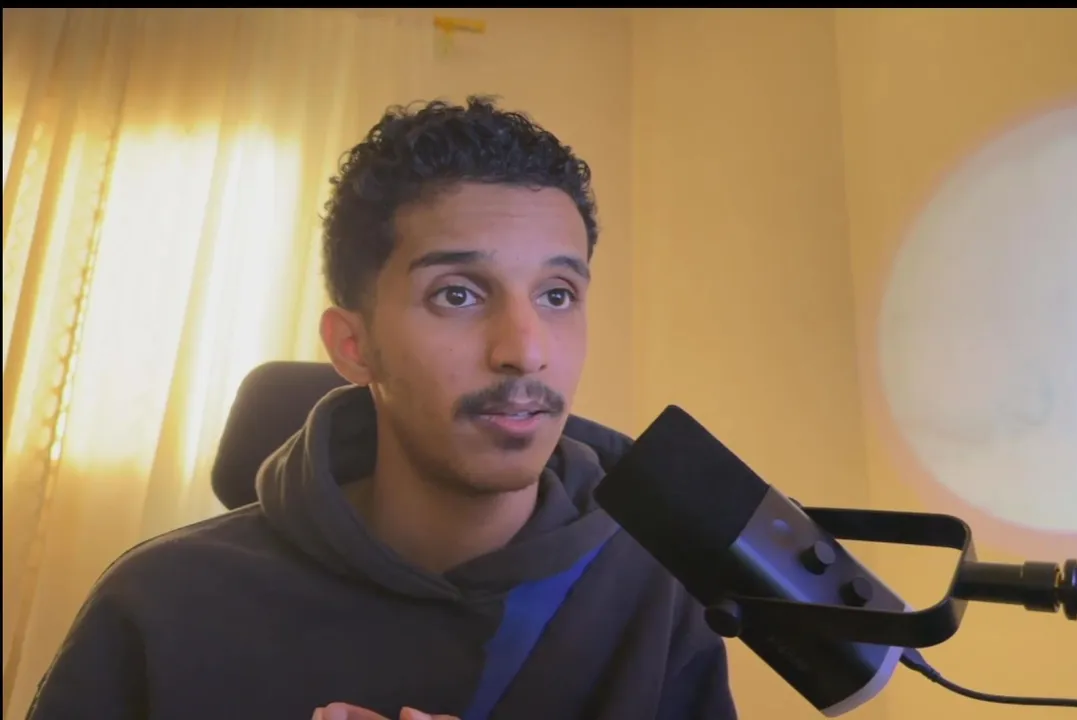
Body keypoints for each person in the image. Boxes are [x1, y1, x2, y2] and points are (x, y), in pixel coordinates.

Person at [27, 96, 737, 720]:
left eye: (557, 295)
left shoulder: (658, 596)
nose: (525, 351)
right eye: (458, 294)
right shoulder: (163, 607)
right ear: (353, 345)